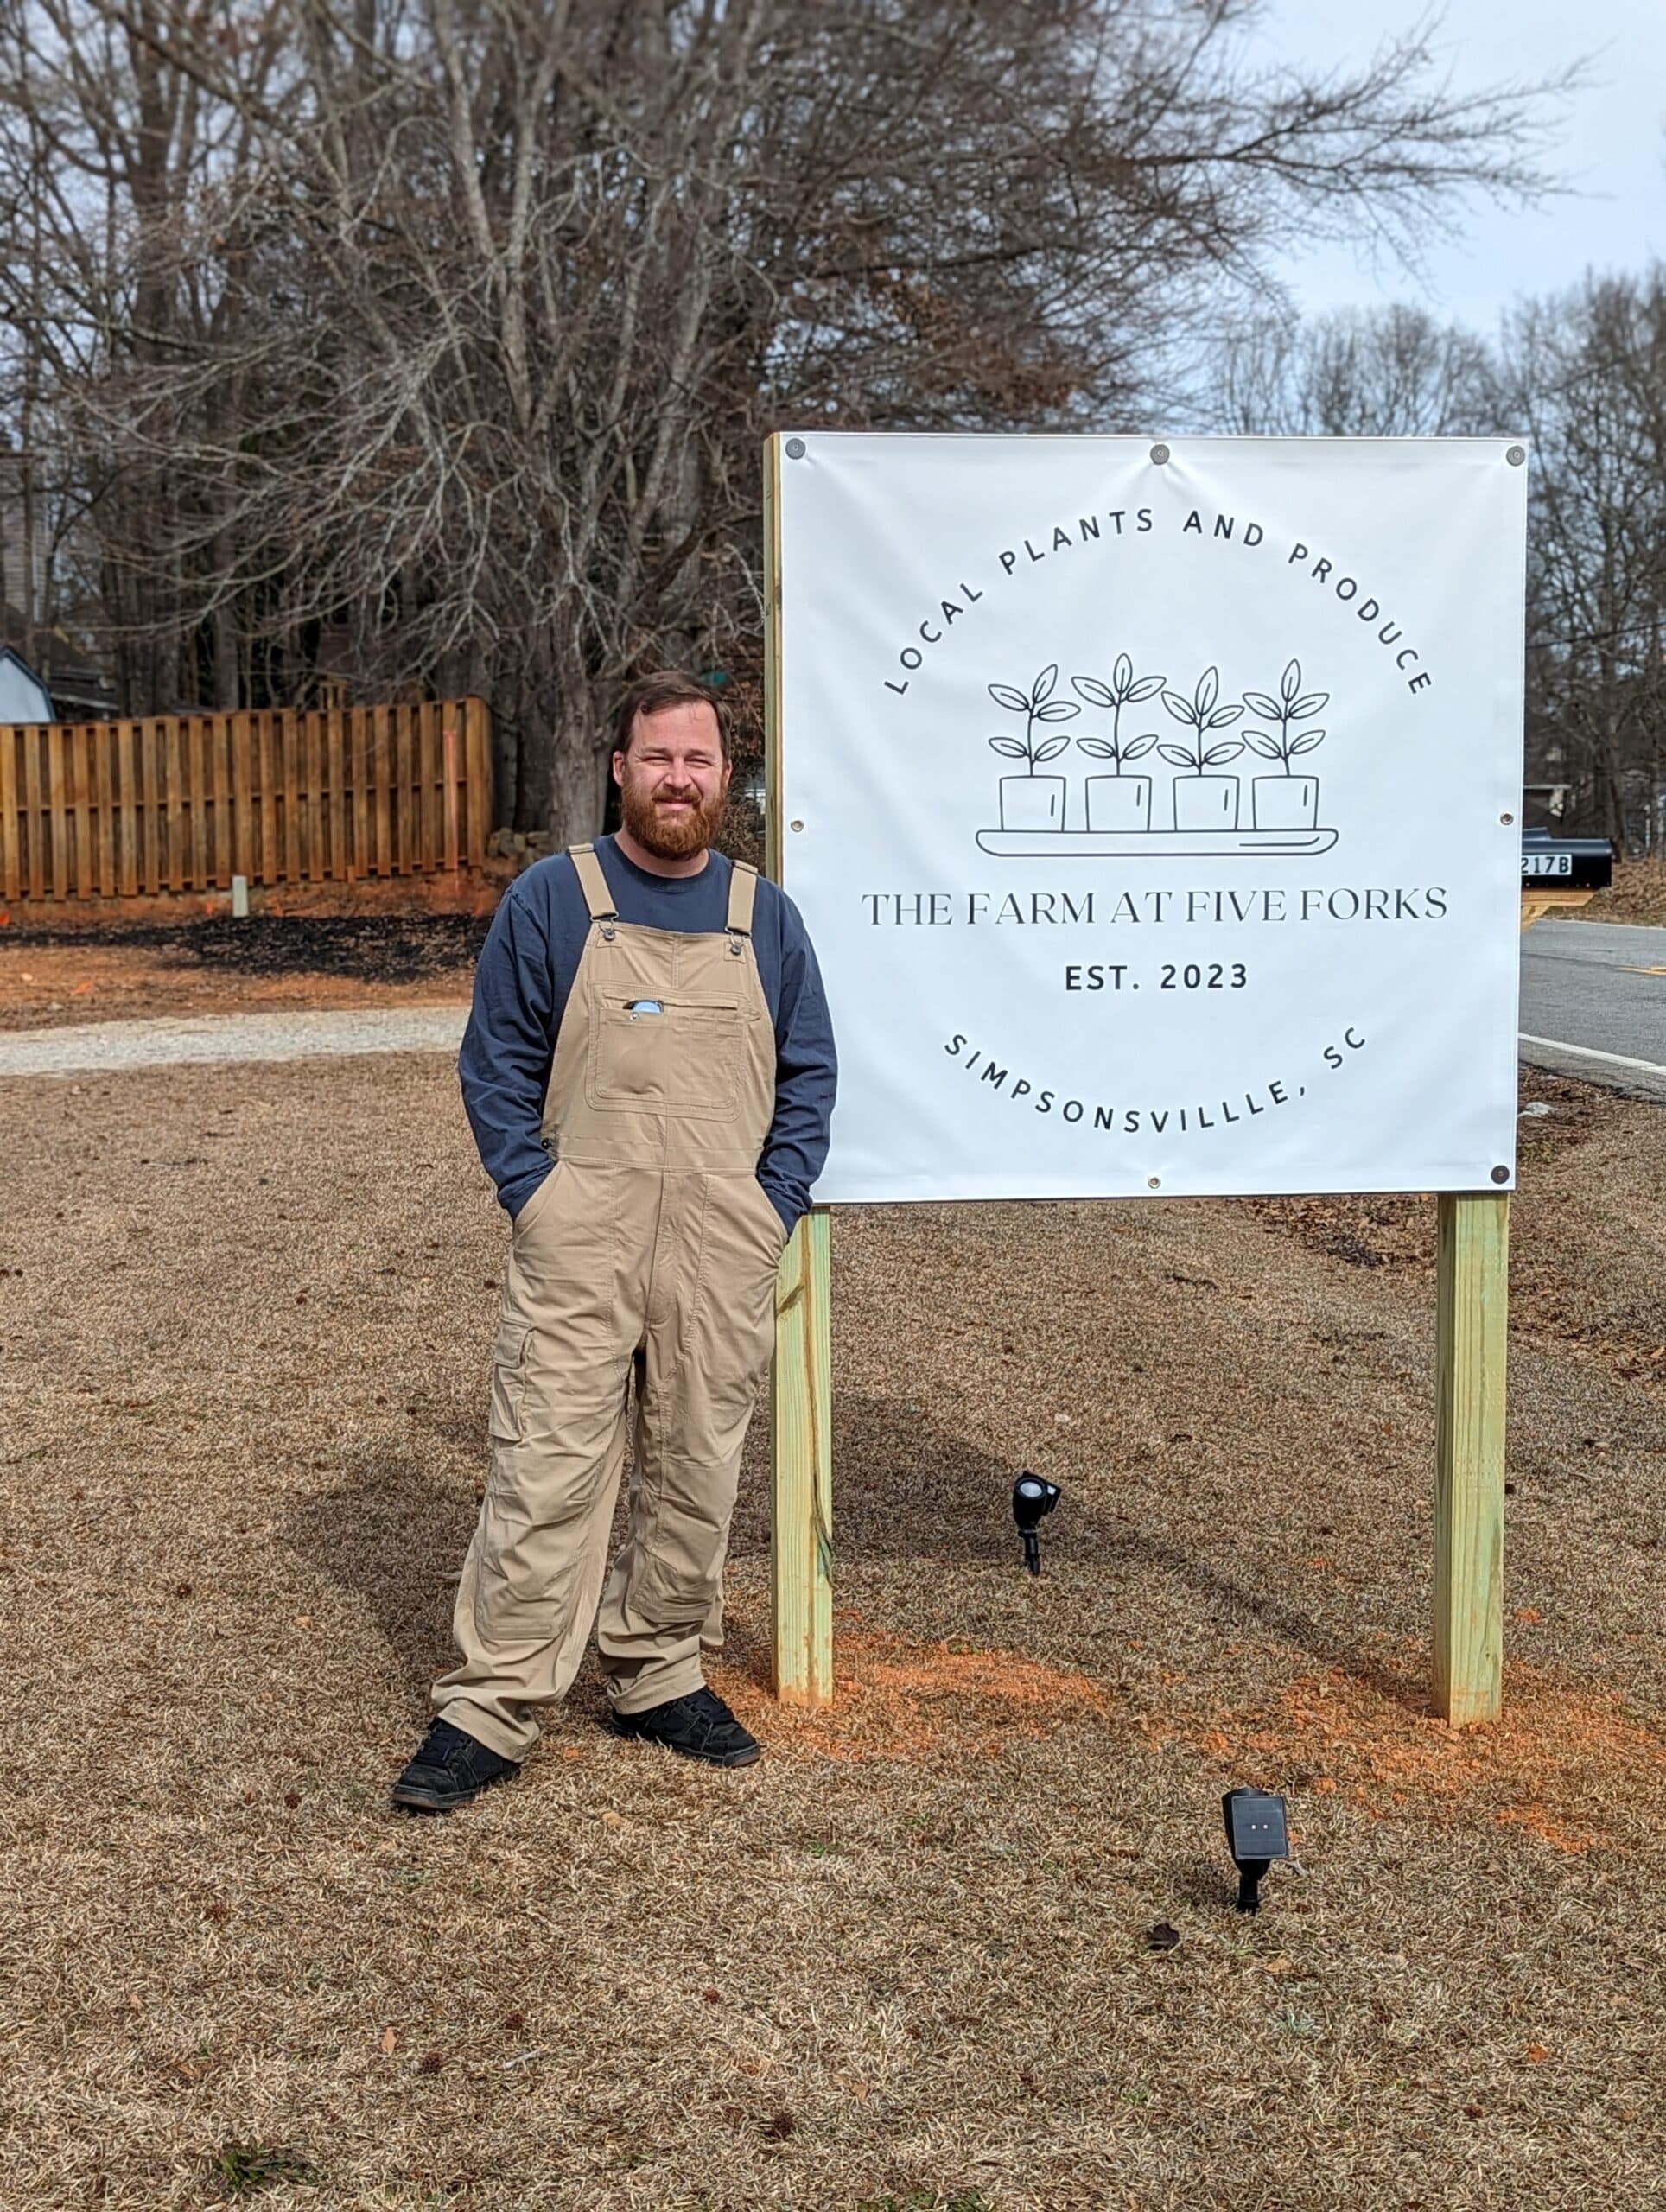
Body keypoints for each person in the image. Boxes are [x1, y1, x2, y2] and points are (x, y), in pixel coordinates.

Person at [391, 671, 836, 1812]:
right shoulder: (554, 899)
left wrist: (768, 1202)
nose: (677, 779)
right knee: (546, 1462)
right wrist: (537, 1197)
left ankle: (656, 1670)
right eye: (658, 759)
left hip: (719, 1240)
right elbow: (494, 1065)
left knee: (698, 1462)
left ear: (723, 778)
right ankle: (491, 1702)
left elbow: (809, 1075)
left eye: (698, 761)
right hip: (582, 1233)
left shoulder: (765, 918)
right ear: (621, 770)